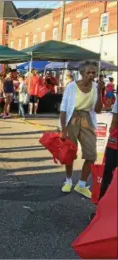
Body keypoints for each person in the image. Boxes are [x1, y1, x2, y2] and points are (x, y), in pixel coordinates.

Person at [60, 60, 103, 198]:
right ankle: (68, 181)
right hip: (72, 118)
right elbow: (63, 108)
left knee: (91, 154)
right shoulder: (71, 86)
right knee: (69, 153)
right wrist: (63, 130)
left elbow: (97, 110)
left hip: (87, 119)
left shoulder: (96, 87)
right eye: (88, 72)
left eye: (93, 73)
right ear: (82, 73)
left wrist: (100, 92)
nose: (91, 75)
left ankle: (81, 185)